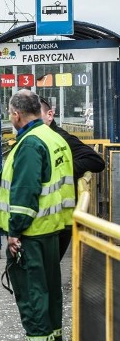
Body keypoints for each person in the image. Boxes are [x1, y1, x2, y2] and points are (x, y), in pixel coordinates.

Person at [0, 89, 75, 341]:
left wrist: (14, 231)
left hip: (32, 233)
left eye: (10, 114)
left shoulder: (29, 144)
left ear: (16, 114)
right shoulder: (53, 137)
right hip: (53, 230)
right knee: (50, 295)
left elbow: (24, 194)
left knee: (33, 298)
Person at [39, 95, 105, 258]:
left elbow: (97, 161)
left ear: (50, 115)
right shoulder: (35, 140)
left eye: (37, 116)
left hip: (59, 220)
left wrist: (64, 169)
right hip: (46, 219)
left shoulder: (61, 138)